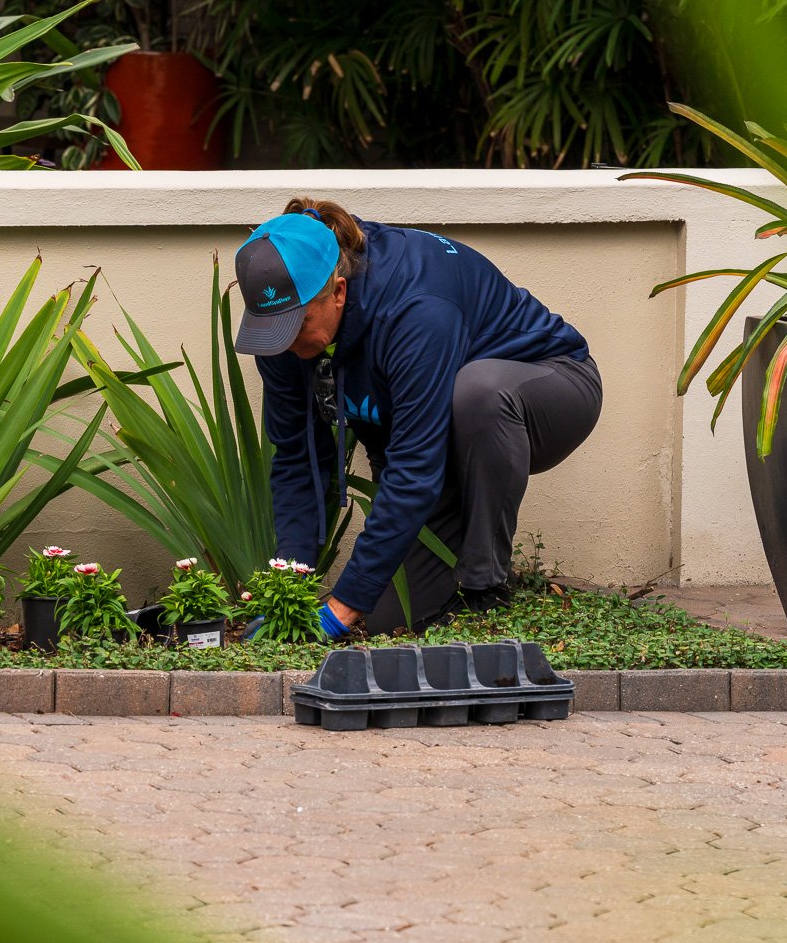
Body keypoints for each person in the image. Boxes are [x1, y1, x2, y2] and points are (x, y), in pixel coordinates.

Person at [234, 197, 602, 636]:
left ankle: (485, 584)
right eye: (273, 327)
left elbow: (414, 469)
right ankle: (450, 585)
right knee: (392, 617)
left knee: (478, 392)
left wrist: (342, 607)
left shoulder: (416, 307)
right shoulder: (281, 335)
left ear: (338, 291)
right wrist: (289, 588)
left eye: (296, 324)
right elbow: (296, 459)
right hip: (437, 437)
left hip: (545, 390)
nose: (286, 341)